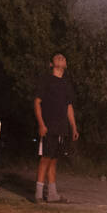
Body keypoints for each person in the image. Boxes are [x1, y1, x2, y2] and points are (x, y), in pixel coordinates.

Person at [34, 52, 79, 203]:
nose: (61, 57)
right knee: (45, 158)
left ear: (65, 65)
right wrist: (41, 124)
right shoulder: (46, 80)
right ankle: (39, 194)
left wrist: (73, 126)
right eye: (57, 56)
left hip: (62, 128)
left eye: (63, 57)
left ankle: (52, 195)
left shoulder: (66, 84)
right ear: (51, 64)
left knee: (54, 160)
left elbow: (69, 107)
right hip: (48, 126)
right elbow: (37, 102)